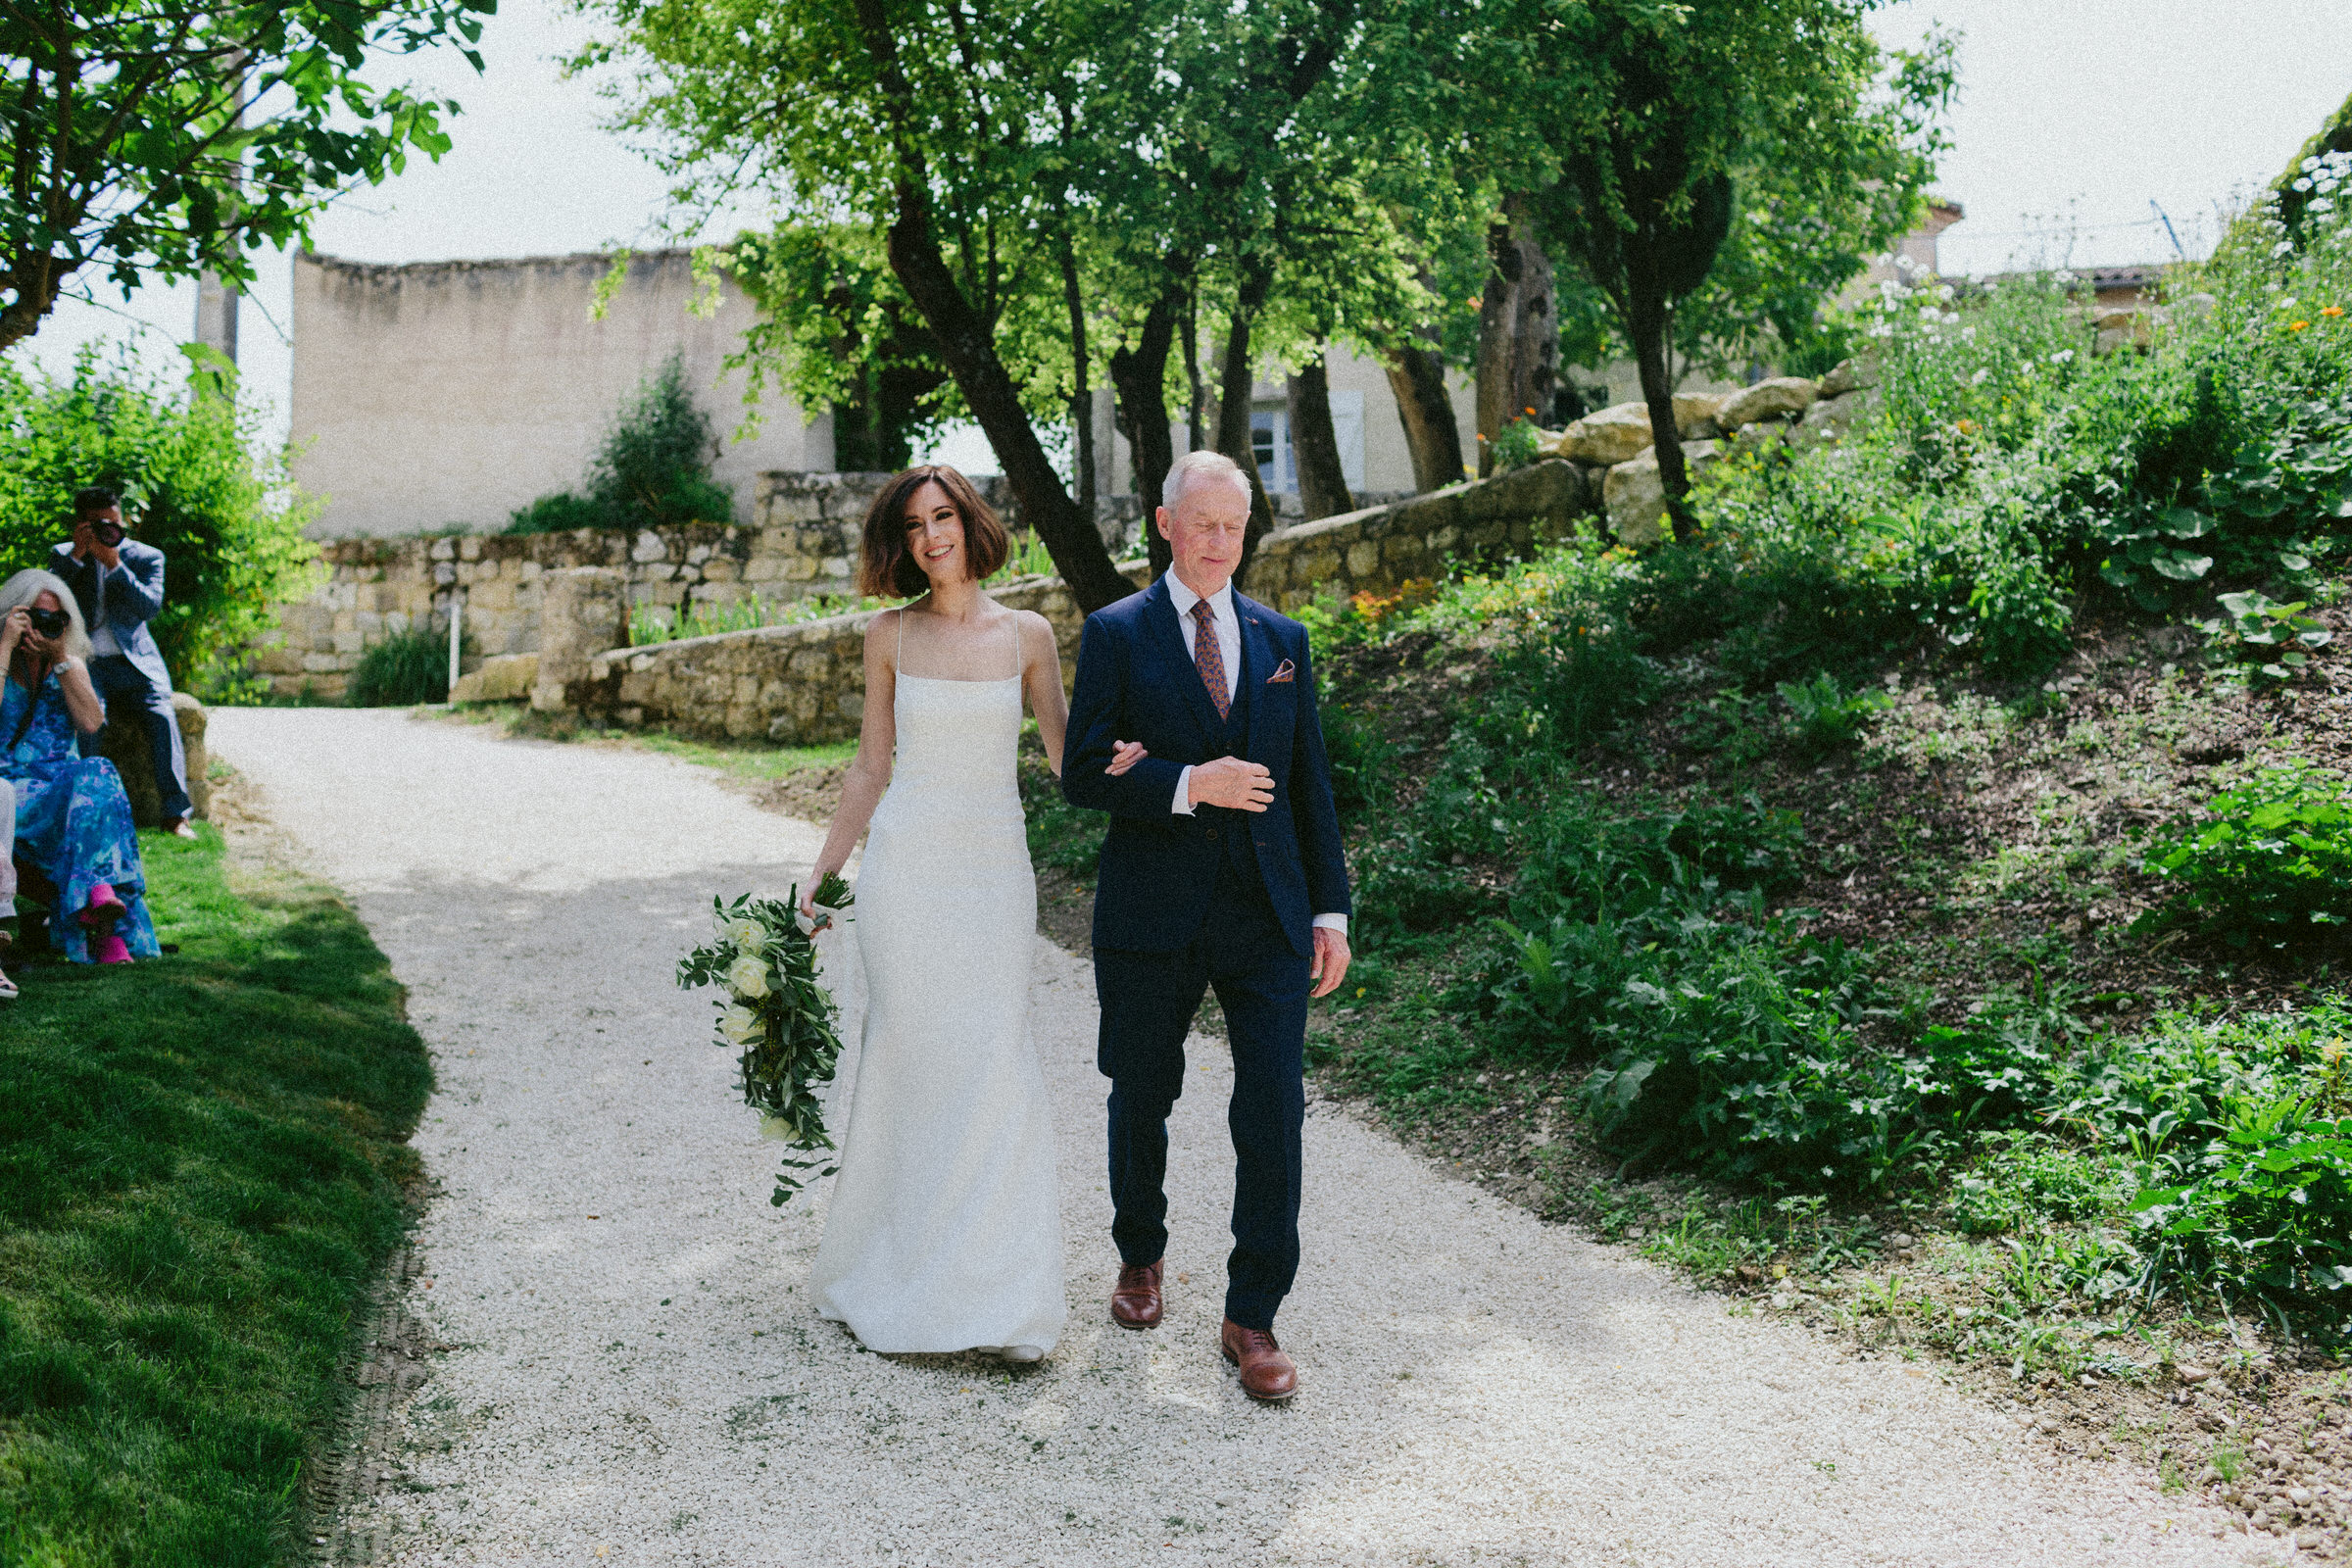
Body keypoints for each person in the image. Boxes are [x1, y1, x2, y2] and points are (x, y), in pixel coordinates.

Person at [797, 465, 1147, 1363]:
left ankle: (995, 1295)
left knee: (993, 1060)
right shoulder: (890, 637)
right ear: (901, 544)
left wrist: (1135, 766)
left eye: (942, 516)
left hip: (993, 875)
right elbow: (871, 769)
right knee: (911, 1060)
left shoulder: (1029, 636)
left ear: (969, 522)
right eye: (913, 526)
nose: (931, 537)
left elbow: (1073, 763)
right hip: (905, 877)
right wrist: (824, 874)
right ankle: (895, 1270)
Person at [1060, 448, 1352, 1403]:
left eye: (1236, 525)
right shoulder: (1115, 633)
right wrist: (1188, 782)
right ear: (1165, 524)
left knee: (1271, 1107)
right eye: (1205, 524)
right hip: (1152, 913)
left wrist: (1328, 908)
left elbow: (1310, 787)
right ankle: (1139, 1256)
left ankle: (1252, 1316)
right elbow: (1080, 771)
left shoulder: (1283, 641)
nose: (1221, 542)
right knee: (1141, 1092)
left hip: (1266, 916)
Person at [0, 569, 160, 965]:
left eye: (56, 618)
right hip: (8, 791)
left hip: (59, 791)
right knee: (94, 809)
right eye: (35, 615)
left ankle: (98, 899)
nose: (44, 625)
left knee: (99, 770)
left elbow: (91, 723)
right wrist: (5, 646)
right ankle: (107, 931)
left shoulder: (68, 664)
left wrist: (59, 659)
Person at [49, 486, 196, 839]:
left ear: (122, 518)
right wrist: (79, 555)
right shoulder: (64, 555)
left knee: (162, 716)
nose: (107, 531)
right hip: (86, 662)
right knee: (87, 724)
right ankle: (85, 811)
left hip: (135, 663)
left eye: (112, 523)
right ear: (80, 524)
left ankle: (176, 816)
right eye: (96, 524)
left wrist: (115, 565)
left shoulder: (146, 557)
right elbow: (50, 599)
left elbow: (149, 608)